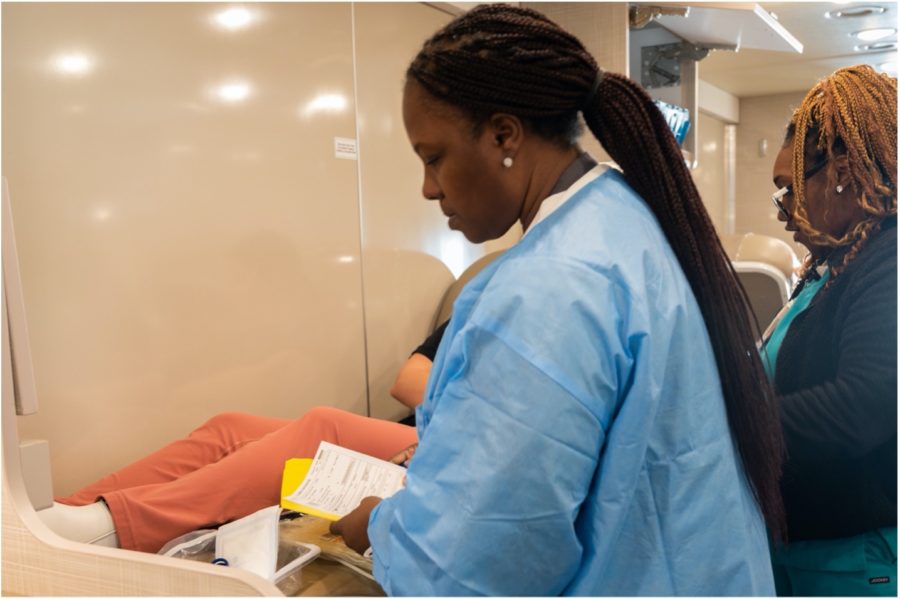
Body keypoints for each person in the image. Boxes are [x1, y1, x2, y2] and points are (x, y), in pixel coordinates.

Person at [329, 4, 785, 595]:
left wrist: (380, 526)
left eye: (433, 156)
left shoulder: (549, 286)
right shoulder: (622, 215)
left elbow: (475, 562)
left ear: (503, 136)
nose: (428, 188)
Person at [39, 325, 445, 553]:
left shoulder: (508, 295)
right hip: (433, 435)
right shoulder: (481, 295)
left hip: (452, 450)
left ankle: (104, 532)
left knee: (323, 428)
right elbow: (408, 380)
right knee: (230, 427)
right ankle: (62, 513)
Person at [761, 65, 897, 596]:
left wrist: (734, 426)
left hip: (853, 563)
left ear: (840, 169)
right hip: (809, 552)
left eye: (787, 189)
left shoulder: (888, 260)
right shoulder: (833, 267)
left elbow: (867, 401)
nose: (782, 212)